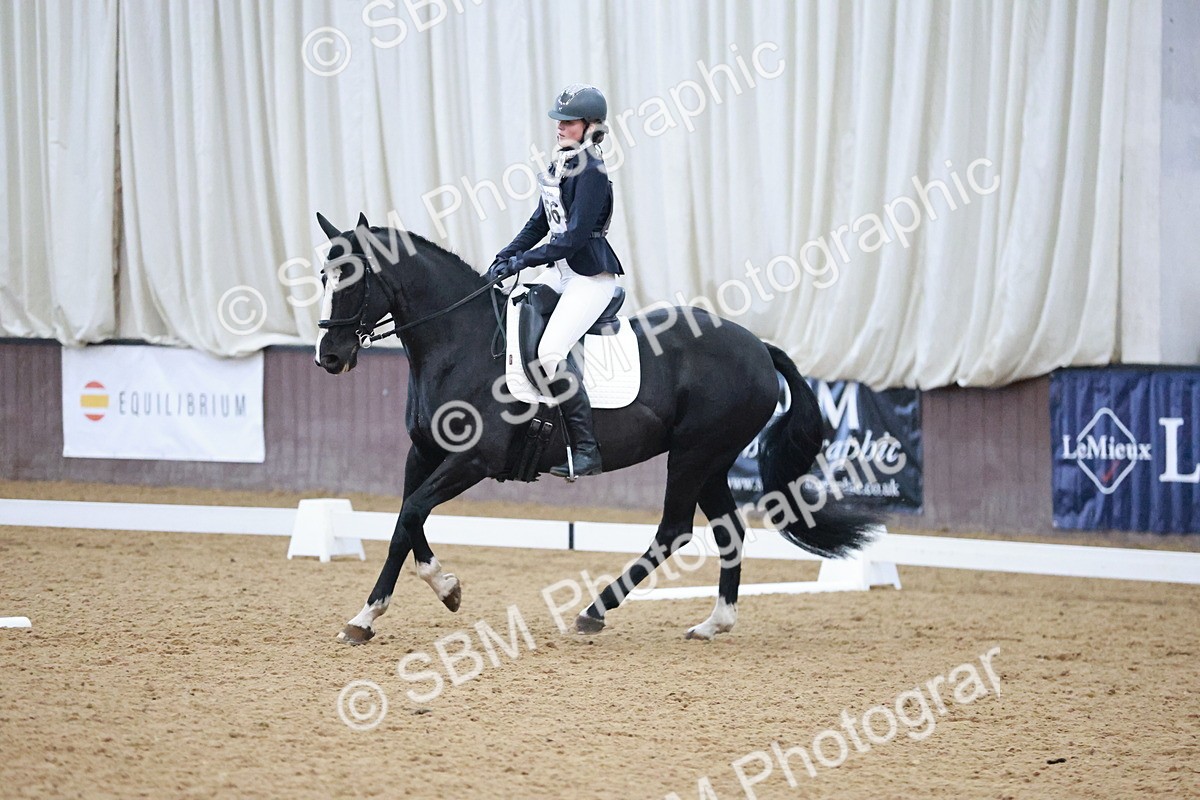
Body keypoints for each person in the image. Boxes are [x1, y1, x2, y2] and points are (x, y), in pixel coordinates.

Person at [488, 83, 624, 478]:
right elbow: (538, 224)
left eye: (569, 122)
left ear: (591, 127)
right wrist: (504, 256)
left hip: (590, 276)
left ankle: (587, 450)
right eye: (559, 121)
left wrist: (523, 261)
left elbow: (573, 238)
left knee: (550, 353)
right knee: (514, 309)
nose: (560, 127)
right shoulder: (561, 166)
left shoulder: (592, 171)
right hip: (561, 272)